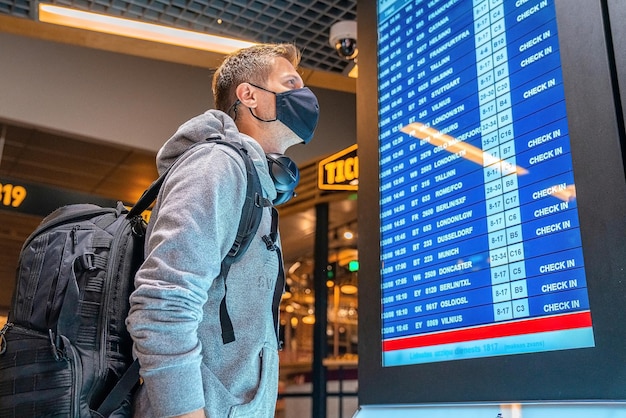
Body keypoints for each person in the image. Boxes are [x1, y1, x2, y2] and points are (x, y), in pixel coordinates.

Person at [125, 43, 319, 418]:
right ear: (249, 96)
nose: (306, 97)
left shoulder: (254, 185)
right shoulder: (218, 166)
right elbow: (162, 306)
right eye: (291, 82)